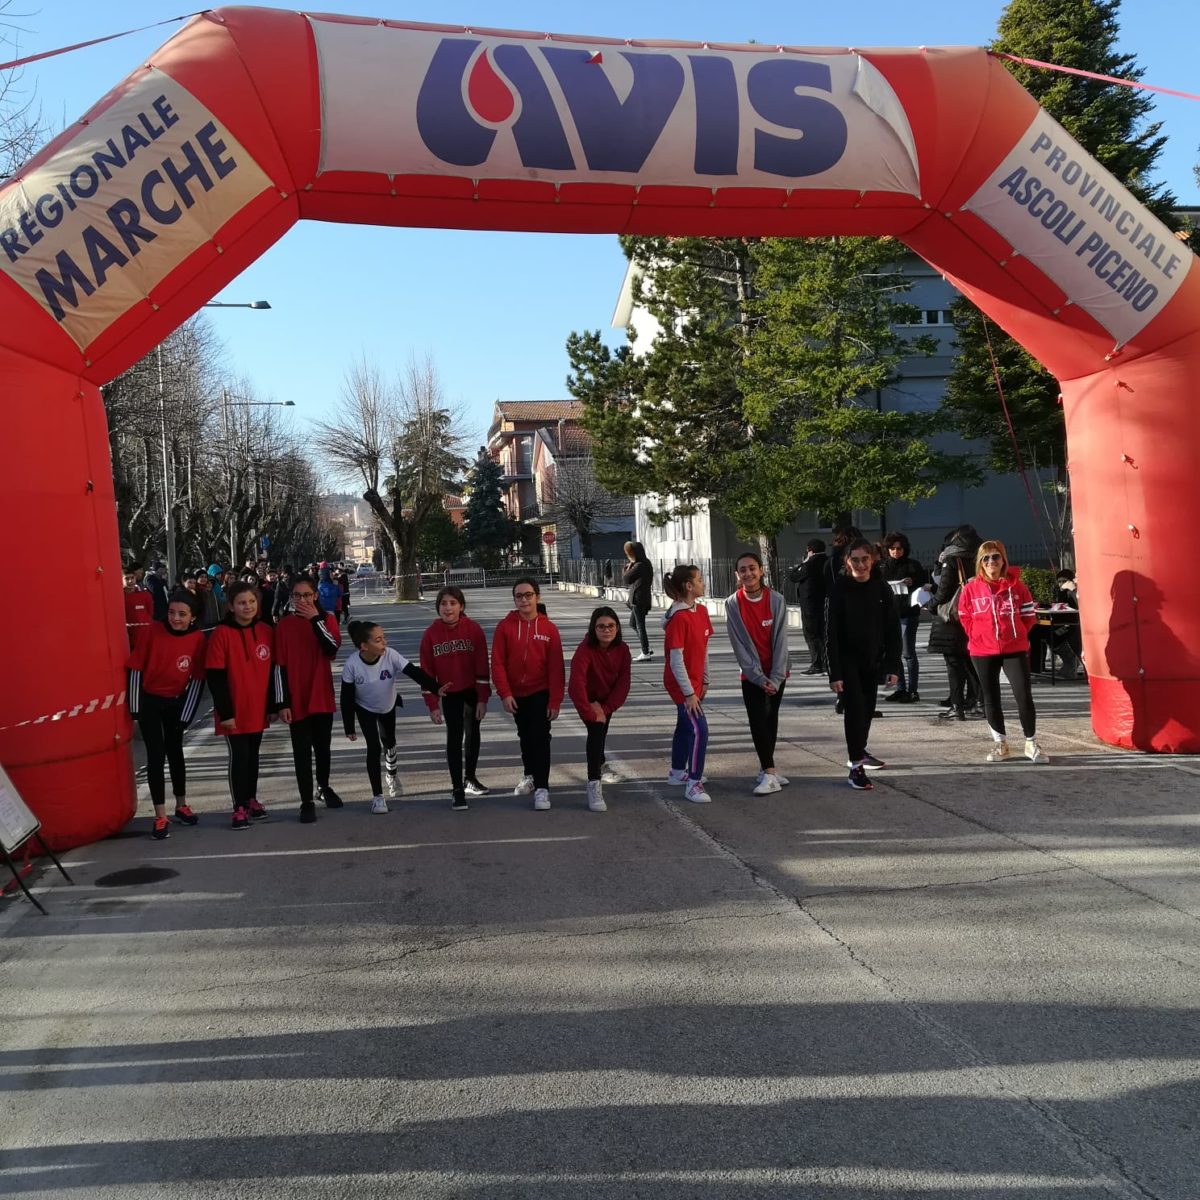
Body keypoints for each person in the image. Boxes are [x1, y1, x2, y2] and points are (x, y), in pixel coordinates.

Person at [959, 540, 1049, 764]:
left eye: (995, 556)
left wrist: (1017, 634)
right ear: (980, 562)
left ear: (1003, 560)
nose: (991, 561)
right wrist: (978, 635)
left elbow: (1028, 616)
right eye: (986, 558)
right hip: (982, 650)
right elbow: (965, 617)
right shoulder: (971, 589)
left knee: (1023, 694)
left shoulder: (1017, 586)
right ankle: (1001, 744)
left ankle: (1031, 742)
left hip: (1014, 648)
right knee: (990, 696)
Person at [126, 588, 206, 839]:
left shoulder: (197, 639)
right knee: (156, 756)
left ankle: (181, 804)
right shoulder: (152, 631)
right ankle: (160, 815)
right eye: (172, 612)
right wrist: (135, 710)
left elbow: (197, 679)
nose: (176, 618)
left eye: (182, 614)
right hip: (150, 701)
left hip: (176, 702)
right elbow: (135, 669)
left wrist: (186, 715)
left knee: (175, 752)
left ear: (192, 617)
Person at [341, 620, 441, 813]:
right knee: (373, 747)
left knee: (389, 742)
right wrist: (349, 726)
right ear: (364, 646)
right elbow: (346, 697)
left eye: (384, 637)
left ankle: (392, 775)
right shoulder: (352, 664)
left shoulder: (390, 655)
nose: (384, 643)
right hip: (365, 708)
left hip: (388, 705)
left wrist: (436, 688)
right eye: (378, 640)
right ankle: (377, 797)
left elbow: (414, 672)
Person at [826, 538, 901, 791]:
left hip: (873, 660)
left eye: (865, 559)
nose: (860, 565)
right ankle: (855, 765)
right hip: (847, 661)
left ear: (873, 560)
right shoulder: (839, 590)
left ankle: (860, 750)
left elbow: (893, 630)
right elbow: (831, 633)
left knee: (867, 710)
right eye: (855, 560)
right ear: (847, 562)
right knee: (855, 711)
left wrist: (892, 666)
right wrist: (834, 672)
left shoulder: (881, 588)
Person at [206, 580, 275, 830]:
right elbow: (215, 676)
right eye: (242, 603)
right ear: (231, 606)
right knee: (240, 756)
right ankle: (239, 807)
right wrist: (226, 712)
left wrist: (273, 705)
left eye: (252, 601)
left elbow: (273, 672)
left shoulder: (266, 630)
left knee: (253, 755)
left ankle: (251, 799)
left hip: (258, 707)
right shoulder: (221, 633)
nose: (248, 607)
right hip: (234, 710)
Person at [274, 574, 343, 823]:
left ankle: (323, 786)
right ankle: (306, 801)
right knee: (301, 751)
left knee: (323, 748)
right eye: (297, 595)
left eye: (306, 595)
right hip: (296, 697)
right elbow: (278, 666)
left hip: (320, 694)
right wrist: (282, 702)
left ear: (315, 596)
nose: (302, 600)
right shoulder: (284, 626)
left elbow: (331, 648)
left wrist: (315, 619)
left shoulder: (328, 619)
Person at [491, 578, 565, 810]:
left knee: (540, 738)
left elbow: (556, 668)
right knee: (525, 736)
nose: (524, 600)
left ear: (537, 597)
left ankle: (542, 788)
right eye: (519, 596)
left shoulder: (549, 628)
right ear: (514, 599)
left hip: (540, 692)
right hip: (515, 694)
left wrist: (555, 700)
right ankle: (530, 775)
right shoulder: (505, 627)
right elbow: (498, 663)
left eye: (528, 595)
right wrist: (505, 693)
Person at [420, 586, 492, 811]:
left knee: (472, 734)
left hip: (471, 691)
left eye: (453, 603)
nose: (448, 608)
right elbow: (427, 673)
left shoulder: (474, 629)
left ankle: (470, 777)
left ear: (461, 606)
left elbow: (482, 665)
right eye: (443, 603)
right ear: (438, 607)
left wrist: (483, 698)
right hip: (449, 693)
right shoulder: (431, 634)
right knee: (454, 737)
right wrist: (432, 705)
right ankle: (457, 788)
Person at [725, 552, 791, 795]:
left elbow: (781, 641)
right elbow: (739, 645)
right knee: (757, 721)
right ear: (737, 575)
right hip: (751, 675)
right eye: (742, 570)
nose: (748, 573)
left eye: (752, 568)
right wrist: (758, 677)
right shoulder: (732, 603)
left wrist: (775, 678)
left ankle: (767, 770)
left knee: (770, 719)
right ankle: (770, 773)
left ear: (761, 570)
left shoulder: (777, 600)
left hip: (777, 672)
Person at [568, 606, 632, 812]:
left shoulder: (623, 650)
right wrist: (590, 711)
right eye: (601, 626)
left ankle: (601, 765)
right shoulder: (585, 650)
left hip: (606, 700)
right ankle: (594, 782)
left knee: (602, 732)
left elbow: (623, 683)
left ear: (617, 628)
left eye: (611, 625)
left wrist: (606, 708)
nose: (606, 630)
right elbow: (576, 685)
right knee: (596, 732)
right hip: (587, 699)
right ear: (593, 629)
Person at [662, 564, 713, 804]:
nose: (703, 583)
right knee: (699, 729)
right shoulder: (679, 618)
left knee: (684, 725)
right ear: (689, 586)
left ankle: (677, 772)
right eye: (699, 580)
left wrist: (705, 678)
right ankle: (694, 783)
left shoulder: (701, 611)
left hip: (695, 682)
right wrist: (689, 693)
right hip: (681, 685)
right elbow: (676, 660)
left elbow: (704, 649)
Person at [926, 525, 982, 721]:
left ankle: (957, 706)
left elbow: (943, 590)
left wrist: (930, 605)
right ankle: (977, 703)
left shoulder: (951, 559)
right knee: (971, 663)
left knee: (954, 664)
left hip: (952, 618)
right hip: (973, 615)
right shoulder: (980, 557)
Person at [880, 532, 928, 703]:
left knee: (908, 653)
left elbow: (924, 583)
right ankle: (900, 688)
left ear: (904, 549)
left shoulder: (912, 565)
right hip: (889, 614)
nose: (896, 551)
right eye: (892, 548)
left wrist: (912, 581)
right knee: (894, 653)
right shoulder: (882, 566)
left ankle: (913, 690)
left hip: (908, 613)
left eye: (899, 548)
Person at [788, 538, 828, 674]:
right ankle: (826, 663)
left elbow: (793, 576)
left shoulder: (810, 564)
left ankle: (817, 664)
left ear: (810, 550)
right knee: (822, 633)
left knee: (811, 634)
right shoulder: (827, 561)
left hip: (810, 604)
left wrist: (804, 561)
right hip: (824, 602)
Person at [622, 541, 654, 661]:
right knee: (633, 624)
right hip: (644, 598)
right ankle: (646, 647)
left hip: (638, 599)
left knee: (640, 626)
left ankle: (645, 652)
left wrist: (627, 569)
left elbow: (626, 579)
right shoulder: (646, 563)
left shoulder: (639, 566)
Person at [123, 568, 154, 650]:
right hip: (127, 640)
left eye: (132, 578)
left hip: (145, 638)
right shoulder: (119, 597)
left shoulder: (145, 595)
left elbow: (150, 613)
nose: (130, 581)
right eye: (127, 578)